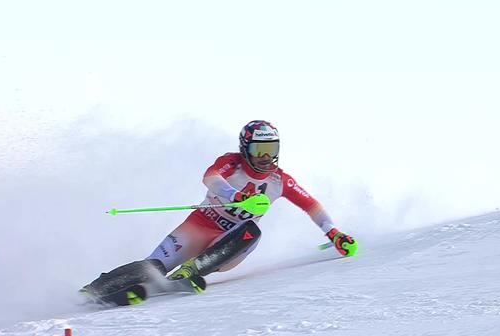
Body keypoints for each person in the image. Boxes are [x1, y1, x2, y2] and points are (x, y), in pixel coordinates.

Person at [82, 120, 357, 305]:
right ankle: (95, 290)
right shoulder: (231, 163)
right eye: (259, 150)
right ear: (245, 149)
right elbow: (210, 177)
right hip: (200, 224)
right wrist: (235, 197)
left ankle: (192, 269)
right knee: (153, 265)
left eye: (271, 151)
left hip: (231, 242)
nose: (265, 158)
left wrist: (333, 233)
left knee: (253, 230)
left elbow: (311, 205)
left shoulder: (280, 180)